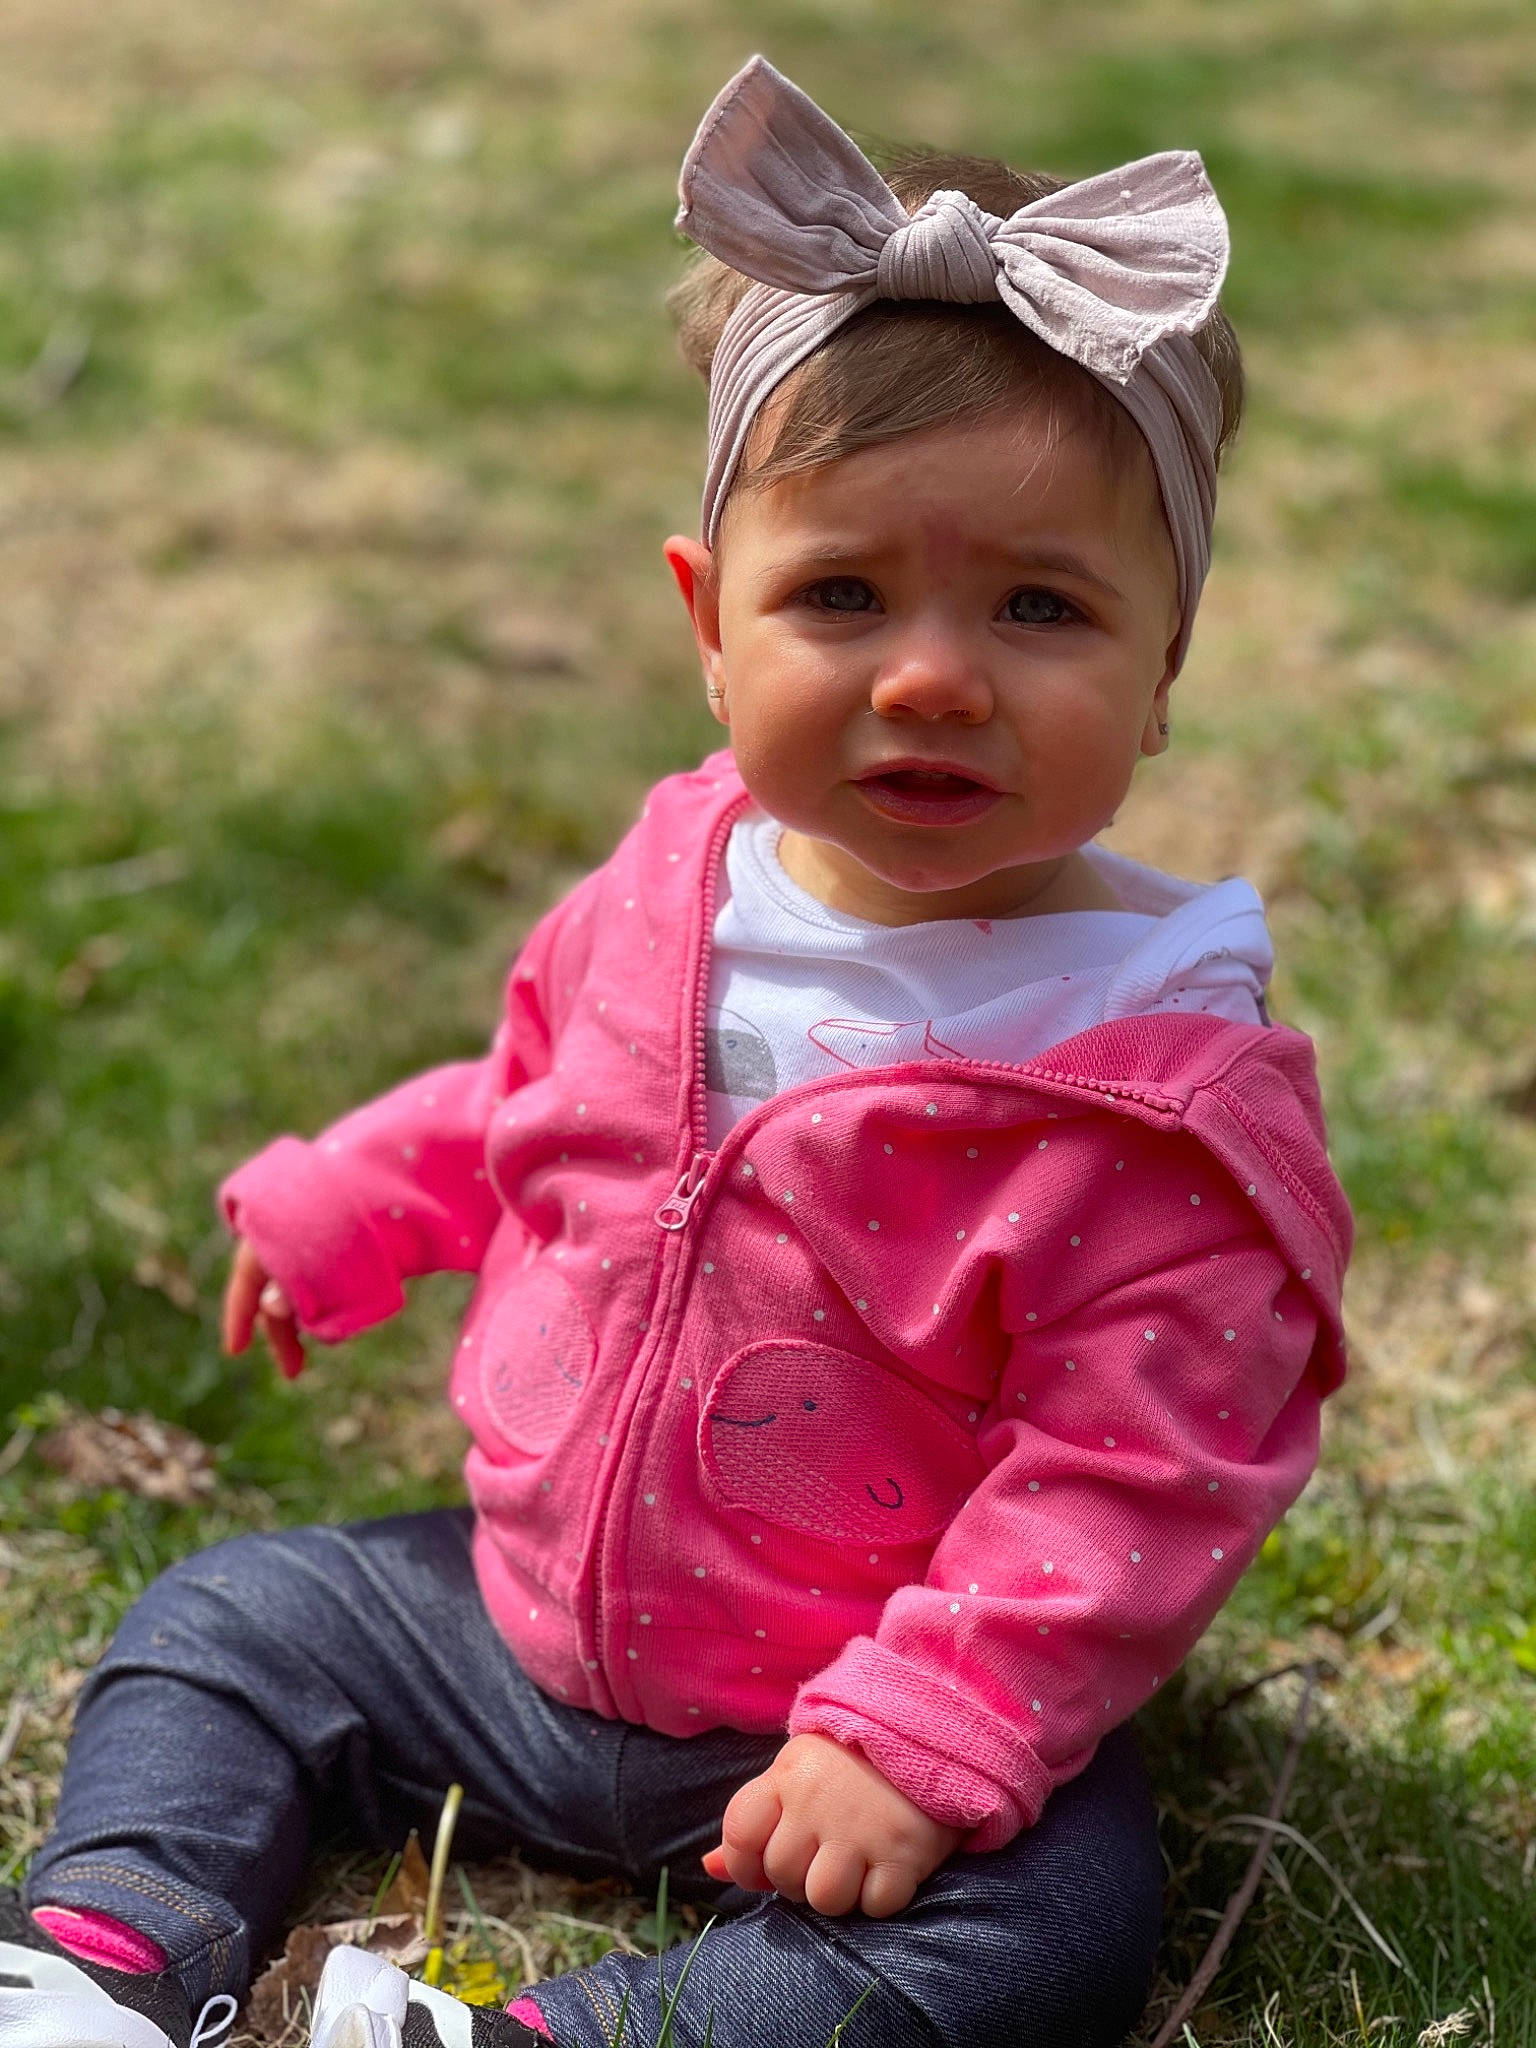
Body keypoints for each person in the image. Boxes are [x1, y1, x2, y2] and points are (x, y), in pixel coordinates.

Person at [0, 55, 1353, 2048]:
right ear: (712, 625)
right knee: (229, 1623)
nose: (930, 674)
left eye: (1042, 605)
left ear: (1164, 669)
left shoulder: (1149, 1086)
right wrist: (351, 1194)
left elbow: (1131, 1475)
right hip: (525, 1627)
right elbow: (537, 1101)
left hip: (867, 1716)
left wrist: (925, 1735)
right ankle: (110, 1953)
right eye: (841, 594)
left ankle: (579, 2033)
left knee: (1049, 1929)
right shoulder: (676, 878)